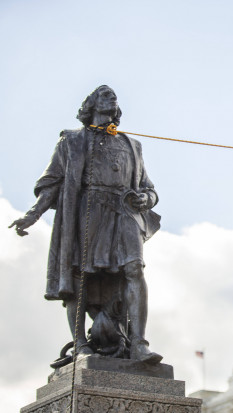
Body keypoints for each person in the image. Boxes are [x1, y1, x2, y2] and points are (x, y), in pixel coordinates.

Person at [9, 85, 162, 365]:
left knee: (135, 269)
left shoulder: (132, 145)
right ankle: (80, 344)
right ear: (90, 105)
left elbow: (149, 188)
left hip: (124, 211)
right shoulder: (71, 141)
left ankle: (139, 344)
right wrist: (32, 214)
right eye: (104, 94)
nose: (111, 96)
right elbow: (52, 183)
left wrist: (146, 198)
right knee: (80, 275)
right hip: (87, 211)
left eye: (113, 95)